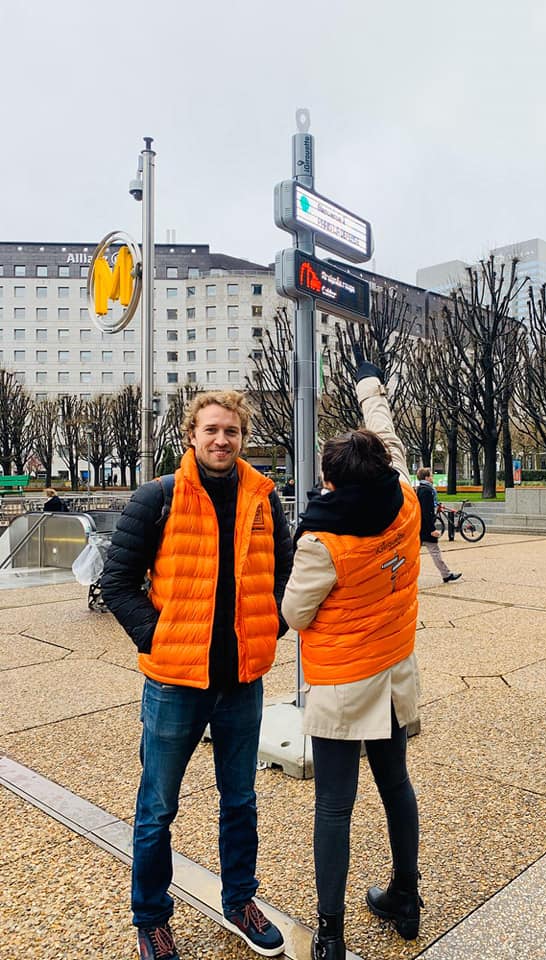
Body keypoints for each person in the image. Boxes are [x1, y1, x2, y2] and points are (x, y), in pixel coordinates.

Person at [101, 390, 292, 960]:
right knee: (158, 806)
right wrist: (159, 638)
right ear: (192, 434)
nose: (221, 440)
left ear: (242, 436)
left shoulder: (263, 498)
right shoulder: (158, 496)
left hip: (241, 679)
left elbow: (284, 573)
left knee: (241, 799)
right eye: (211, 429)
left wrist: (268, 627)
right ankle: (152, 917)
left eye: (231, 431)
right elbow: (118, 582)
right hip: (175, 683)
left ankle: (240, 902)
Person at [281, 351, 424, 960]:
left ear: (334, 482)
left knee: (335, 806)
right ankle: (406, 899)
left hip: (343, 684)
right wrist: (370, 385)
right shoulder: (409, 504)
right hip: (394, 672)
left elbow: (294, 615)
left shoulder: (321, 541)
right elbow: (387, 435)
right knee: (396, 784)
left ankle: (331, 934)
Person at [415, 467, 461, 583]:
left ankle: (446, 574)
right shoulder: (426, 490)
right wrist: (432, 529)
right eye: (431, 475)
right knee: (434, 552)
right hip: (426, 528)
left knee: (414, 554)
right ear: (426, 477)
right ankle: (446, 575)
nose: (432, 478)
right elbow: (427, 512)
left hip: (421, 527)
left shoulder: (420, 489)